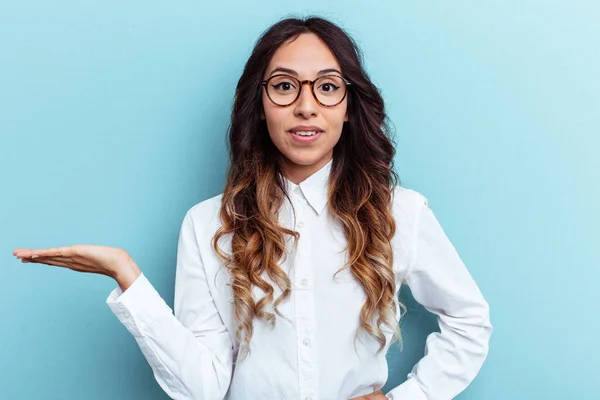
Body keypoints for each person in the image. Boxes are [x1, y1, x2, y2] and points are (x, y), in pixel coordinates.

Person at [12, 16, 492, 400]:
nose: (306, 106)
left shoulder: (397, 213)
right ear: (260, 105)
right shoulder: (208, 224)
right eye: (284, 86)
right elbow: (203, 388)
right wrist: (128, 278)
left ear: (349, 106)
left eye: (327, 87)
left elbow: (469, 322)